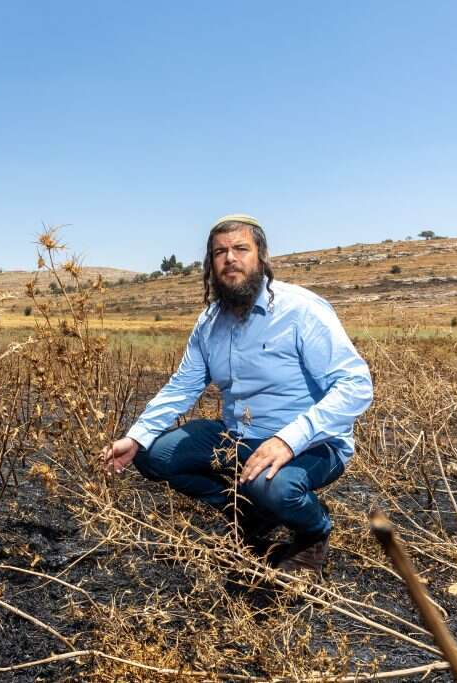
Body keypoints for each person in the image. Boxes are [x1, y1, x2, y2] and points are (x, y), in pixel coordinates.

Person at [101, 214, 373, 580]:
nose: (230, 258)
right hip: (238, 436)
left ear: (261, 256)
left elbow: (356, 385)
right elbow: (184, 385)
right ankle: (249, 512)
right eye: (220, 252)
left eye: (240, 249)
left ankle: (314, 530)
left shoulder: (301, 310)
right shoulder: (210, 322)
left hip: (311, 443)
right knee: (151, 454)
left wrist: (287, 441)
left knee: (273, 486)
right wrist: (136, 436)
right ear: (211, 264)